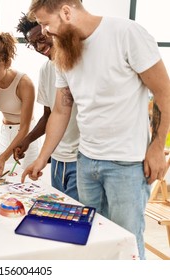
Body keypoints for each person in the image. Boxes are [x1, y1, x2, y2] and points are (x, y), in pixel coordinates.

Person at [22, 0, 170, 259]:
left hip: (127, 165)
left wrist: (157, 147)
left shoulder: (126, 34)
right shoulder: (64, 53)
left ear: (67, 12)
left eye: (46, 24)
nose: (44, 32)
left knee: (127, 247)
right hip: (86, 163)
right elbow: (61, 110)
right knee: (92, 243)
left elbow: (164, 94)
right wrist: (42, 157)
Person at [14, 14, 79, 201]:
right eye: (33, 44)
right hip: (57, 158)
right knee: (62, 212)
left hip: (80, 158)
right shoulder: (46, 70)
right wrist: (27, 140)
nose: (39, 47)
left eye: (41, 39)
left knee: (77, 217)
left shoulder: (77, 64)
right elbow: (49, 115)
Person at [0, 31, 39, 178]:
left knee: (29, 181)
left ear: (7, 63)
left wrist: (3, 157)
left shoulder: (24, 83)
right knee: (0, 179)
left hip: (27, 134)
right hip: (6, 131)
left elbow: (24, 128)